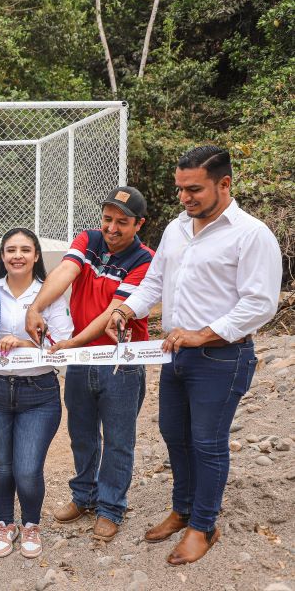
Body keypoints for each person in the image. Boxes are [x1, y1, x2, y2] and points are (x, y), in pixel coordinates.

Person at [106, 146, 282, 565]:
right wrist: (125, 310)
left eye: (194, 189)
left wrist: (203, 334)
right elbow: (155, 282)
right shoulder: (177, 228)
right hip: (176, 355)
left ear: (224, 184)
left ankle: (204, 526)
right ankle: (182, 509)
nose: (184, 198)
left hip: (222, 358)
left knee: (207, 443)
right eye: (180, 189)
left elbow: (260, 303)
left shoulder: (251, 234)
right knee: (174, 435)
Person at [25, 186, 154, 543]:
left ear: (139, 224)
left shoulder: (145, 260)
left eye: (122, 222)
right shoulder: (89, 239)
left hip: (120, 362)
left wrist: (74, 342)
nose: (112, 228)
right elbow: (65, 272)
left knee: (118, 439)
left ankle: (111, 507)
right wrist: (35, 308)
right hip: (81, 361)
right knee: (81, 433)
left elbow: (114, 311)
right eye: (108, 218)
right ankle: (84, 496)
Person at [0, 228, 74, 559]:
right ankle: (4, 523)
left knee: (28, 469)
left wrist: (22, 343)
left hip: (39, 393)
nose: (17, 256)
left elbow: (62, 342)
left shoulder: (50, 294)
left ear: (36, 256)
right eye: (10, 250)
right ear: (2, 256)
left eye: (25, 250)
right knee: (1, 465)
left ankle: (31, 524)